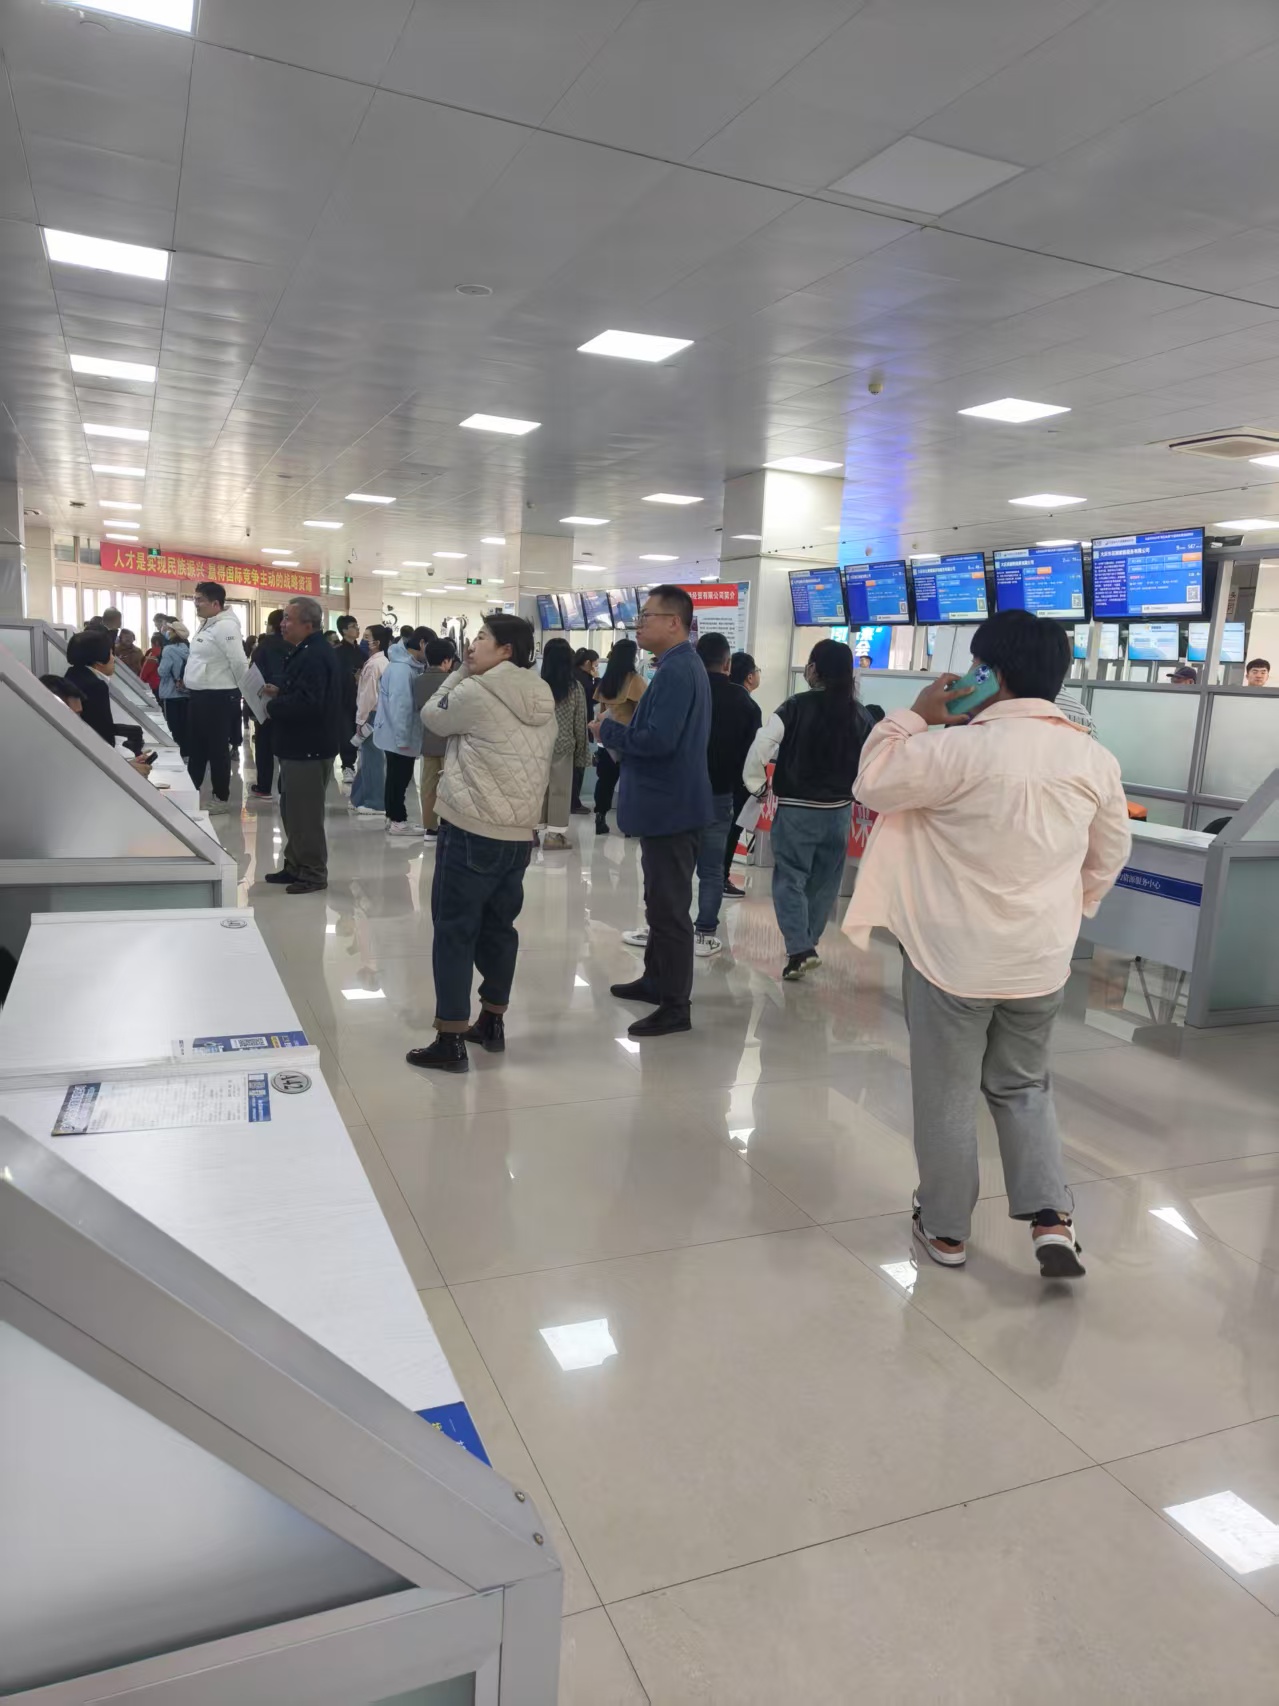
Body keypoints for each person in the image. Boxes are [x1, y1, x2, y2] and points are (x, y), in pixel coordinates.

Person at [845, 609, 1132, 1279]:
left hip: (950, 959)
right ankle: (1051, 1218)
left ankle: (945, 1229)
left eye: (976, 666)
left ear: (990, 674)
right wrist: (1071, 908)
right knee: (1024, 1085)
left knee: (947, 1093)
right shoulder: (1092, 758)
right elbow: (1110, 851)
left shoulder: (955, 750)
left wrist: (915, 715)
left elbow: (872, 781)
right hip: (1039, 960)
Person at [406, 614, 556, 1072]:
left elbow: (432, 717)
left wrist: (458, 673)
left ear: (506, 650)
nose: (472, 646)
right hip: (519, 835)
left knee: (455, 930)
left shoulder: (476, 690)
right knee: (499, 928)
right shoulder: (541, 694)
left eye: (483, 638)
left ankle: (450, 1038)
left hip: (471, 827)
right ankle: (492, 1021)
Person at [596, 585, 711, 1038]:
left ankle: (676, 1004)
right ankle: (656, 979)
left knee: (670, 909)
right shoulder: (675, 666)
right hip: (666, 806)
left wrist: (608, 732)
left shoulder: (679, 670)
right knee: (658, 902)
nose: (639, 625)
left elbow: (659, 741)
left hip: (672, 809)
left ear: (674, 623)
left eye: (646, 616)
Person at [744, 639, 871, 981]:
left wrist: (757, 784)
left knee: (790, 877)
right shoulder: (860, 714)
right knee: (825, 882)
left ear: (813, 669)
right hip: (840, 812)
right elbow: (874, 758)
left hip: (797, 811)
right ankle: (807, 944)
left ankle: (800, 949)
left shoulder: (795, 706)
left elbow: (762, 745)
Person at [259, 597, 343, 894]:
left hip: (308, 748)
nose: (282, 624)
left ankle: (313, 872)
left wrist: (273, 706)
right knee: (292, 811)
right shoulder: (305, 650)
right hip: (298, 746)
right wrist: (281, 691)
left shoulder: (315, 655)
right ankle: (295, 864)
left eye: (288, 619)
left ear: (308, 624)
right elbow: (306, 692)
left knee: (305, 816)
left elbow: (310, 704)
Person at [692, 632, 762, 956]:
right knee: (712, 869)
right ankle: (705, 931)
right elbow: (751, 756)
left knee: (676, 865)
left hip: (682, 793)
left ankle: (669, 928)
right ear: (727, 663)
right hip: (721, 793)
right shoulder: (745, 704)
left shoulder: (688, 691)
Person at [184, 580, 247, 813]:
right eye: (195, 599)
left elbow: (239, 662)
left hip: (218, 697)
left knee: (217, 749)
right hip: (200, 696)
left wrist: (245, 692)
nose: (196, 604)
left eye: (200, 600)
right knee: (197, 748)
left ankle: (221, 797)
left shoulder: (226, 627)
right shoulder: (207, 624)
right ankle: (190, 791)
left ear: (215, 604)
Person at [40, 674, 153, 777]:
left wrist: (128, 769)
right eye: (73, 715)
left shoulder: (64, 742)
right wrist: (127, 773)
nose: (78, 722)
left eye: (79, 715)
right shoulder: (46, 752)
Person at [374, 627, 429, 837]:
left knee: (395, 778)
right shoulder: (402, 670)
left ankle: (393, 818)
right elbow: (401, 707)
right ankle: (398, 820)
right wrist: (403, 738)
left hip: (395, 733)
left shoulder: (405, 666)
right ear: (422, 644)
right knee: (399, 779)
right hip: (399, 735)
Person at [538, 637, 588, 849]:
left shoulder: (537, 686)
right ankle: (554, 836)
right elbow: (580, 722)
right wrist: (582, 753)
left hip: (537, 745)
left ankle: (531, 833)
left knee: (536, 789)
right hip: (563, 745)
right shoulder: (575, 688)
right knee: (560, 790)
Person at [593, 637, 645, 834]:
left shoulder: (606, 681)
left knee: (605, 781)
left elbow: (601, 710)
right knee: (629, 783)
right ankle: (629, 825)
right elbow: (642, 711)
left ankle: (600, 816)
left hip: (606, 738)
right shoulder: (635, 681)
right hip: (628, 738)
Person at [413, 636, 459, 839]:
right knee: (451, 786)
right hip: (450, 742)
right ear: (447, 661)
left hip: (429, 741)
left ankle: (430, 827)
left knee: (428, 786)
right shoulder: (454, 682)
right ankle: (448, 824)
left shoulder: (418, 681)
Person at [724, 653, 762, 895]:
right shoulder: (750, 707)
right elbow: (754, 749)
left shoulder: (716, 696)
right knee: (733, 828)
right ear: (749, 677)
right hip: (739, 778)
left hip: (714, 775)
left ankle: (713, 876)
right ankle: (722, 876)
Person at [349, 624, 394, 814]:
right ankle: (359, 797)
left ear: (376, 642)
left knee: (372, 760)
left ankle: (375, 802)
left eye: (367, 637)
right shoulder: (383, 662)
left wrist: (361, 720)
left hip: (371, 714)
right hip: (380, 714)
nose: (363, 640)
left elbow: (368, 696)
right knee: (368, 759)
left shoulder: (374, 665)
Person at [248, 610, 290, 799]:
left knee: (264, 745)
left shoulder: (263, 647)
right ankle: (284, 786)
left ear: (271, 625)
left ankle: (264, 787)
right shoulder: (294, 645)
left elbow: (254, 673)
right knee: (285, 746)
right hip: (287, 700)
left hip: (265, 701)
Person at [64, 628, 120, 748]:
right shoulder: (96, 687)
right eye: (111, 653)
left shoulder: (71, 675)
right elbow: (104, 735)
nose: (113, 658)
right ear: (99, 661)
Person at [570, 648, 599, 814]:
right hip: (580, 725)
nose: (596, 668)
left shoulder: (574, 675)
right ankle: (574, 802)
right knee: (578, 766)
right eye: (595, 664)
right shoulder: (583, 679)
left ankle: (573, 801)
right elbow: (595, 697)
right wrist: (597, 678)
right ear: (588, 663)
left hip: (576, 725)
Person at [334, 614, 364, 782]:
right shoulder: (337, 653)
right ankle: (347, 766)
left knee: (359, 732)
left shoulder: (362, 653)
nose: (357, 629)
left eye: (357, 625)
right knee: (346, 733)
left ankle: (358, 765)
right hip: (343, 700)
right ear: (344, 630)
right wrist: (352, 678)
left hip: (361, 700)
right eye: (353, 626)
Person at [157, 621, 190, 756]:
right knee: (185, 725)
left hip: (171, 692)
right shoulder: (188, 648)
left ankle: (177, 753)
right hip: (186, 692)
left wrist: (158, 664)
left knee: (173, 726)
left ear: (174, 633)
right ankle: (186, 751)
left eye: (169, 630)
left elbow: (163, 671)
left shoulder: (168, 650)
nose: (167, 632)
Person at [138, 630, 164, 695]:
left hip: (154, 684)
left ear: (156, 643)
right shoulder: (166, 652)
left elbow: (146, 670)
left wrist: (140, 681)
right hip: (163, 684)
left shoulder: (153, 653)